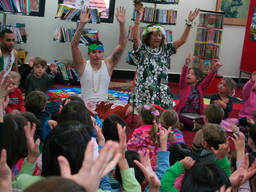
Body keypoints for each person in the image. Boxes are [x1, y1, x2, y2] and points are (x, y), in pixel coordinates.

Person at [130, 1, 200, 110]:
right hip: (144, 92)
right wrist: (138, 17)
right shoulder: (143, 49)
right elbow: (135, 39)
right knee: (145, 118)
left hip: (161, 90)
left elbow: (182, 40)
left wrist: (189, 22)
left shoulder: (165, 49)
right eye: (154, 35)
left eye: (160, 36)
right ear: (148, 37)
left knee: (163, 118)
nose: (158, 38)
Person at [71, 6, 132, 120]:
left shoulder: (108, 65)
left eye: (100, 52)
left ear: (103, 53)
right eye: (93, 52)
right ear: (89, 54)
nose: (97, 55)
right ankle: (102, 121)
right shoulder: (82, 65)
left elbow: (122, 45)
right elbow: (74, 46)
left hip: (104, 105)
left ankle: (99, 120)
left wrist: (122, 24)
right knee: (70, 106)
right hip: (86, 106)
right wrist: (82, 24)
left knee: (128, 108)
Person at [175, 54, 222, 129]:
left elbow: (208, 80)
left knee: (206, 119)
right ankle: (193, 126)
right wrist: (186, 65)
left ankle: (189, 125)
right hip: (183, 114)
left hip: (197, 116)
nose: (189, 75)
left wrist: (214, 70)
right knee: (176, 116)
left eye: (192, 74)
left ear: (198, 79)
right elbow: (183, 77)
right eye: (188, 73)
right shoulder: (184, 86)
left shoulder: (201, 87)